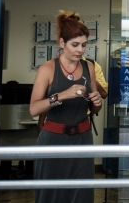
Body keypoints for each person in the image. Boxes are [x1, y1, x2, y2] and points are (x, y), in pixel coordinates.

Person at [30, 11, 102, 203]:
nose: (80, 50)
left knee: (82, 194)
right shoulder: (47, 69)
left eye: (84, 45)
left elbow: (94, 109)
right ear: (62, 43)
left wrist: (97, 102)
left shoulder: (89, 68)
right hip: (53, 139)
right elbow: (34, 109)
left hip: (82, 138)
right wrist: (61, 95)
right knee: (51, 195)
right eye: (75, 45)